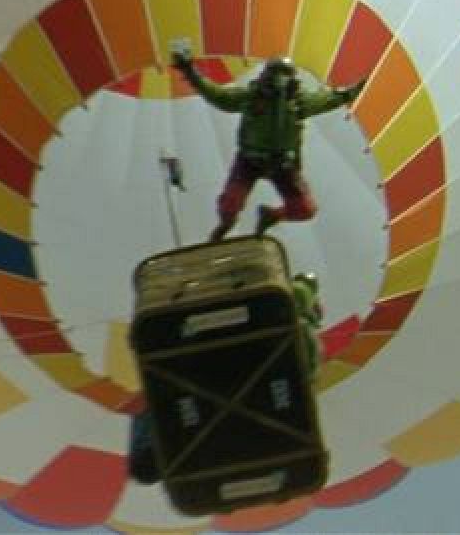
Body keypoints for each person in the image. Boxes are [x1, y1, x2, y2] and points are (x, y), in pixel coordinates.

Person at [128, 272, 325, 486]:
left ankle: (154, 452)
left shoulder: (270, 303)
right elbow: (306, 376)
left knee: (161, 393)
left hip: (206, 380)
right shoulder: (296, 327)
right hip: (252, 395)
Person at [171, 45, 364, 239]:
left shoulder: (298, 102)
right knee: (230, 204)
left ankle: (269, 216)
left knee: (305, 209)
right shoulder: (252, 97)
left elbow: (330, 99)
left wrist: (357, 89)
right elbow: (218, 95)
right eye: (274, 76)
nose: (278, 82)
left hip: (282, 164)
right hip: (250, 160)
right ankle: (226, 223)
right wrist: (190, 72)